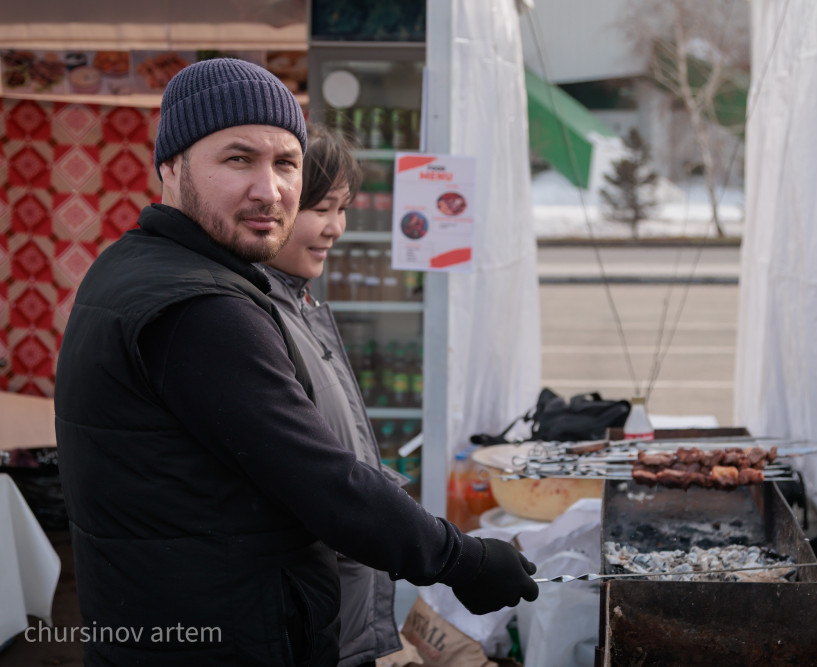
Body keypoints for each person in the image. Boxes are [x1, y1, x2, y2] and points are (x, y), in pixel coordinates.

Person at [53, 58, 538, 667]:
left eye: (286, 163)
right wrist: (460, 559)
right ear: (171, 166)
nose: (270, 189)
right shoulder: (198, 307)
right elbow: (323, 480)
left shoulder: (136, 265)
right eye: (238, 159)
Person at [261, 123, 404, 667]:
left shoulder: (299, 302)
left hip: (342, 604)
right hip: (313, 615)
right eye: (321, 209)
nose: (336, 228)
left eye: (342, 209)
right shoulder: (256, 317)